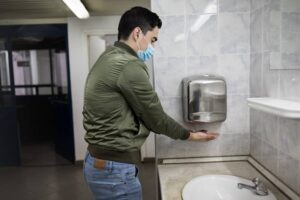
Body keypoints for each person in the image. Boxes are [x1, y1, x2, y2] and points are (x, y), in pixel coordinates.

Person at [82, 6, 218, 200]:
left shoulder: (108, 57)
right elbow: (155, 118)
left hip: (99, 161)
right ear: (138, 33)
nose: (153, 47)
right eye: (153, 40)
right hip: (114, 168)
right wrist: (190, 135)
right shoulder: (128, 64)